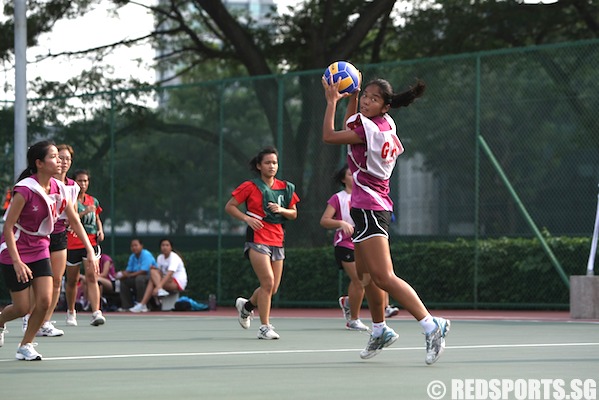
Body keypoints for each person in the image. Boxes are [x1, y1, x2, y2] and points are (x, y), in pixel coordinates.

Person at [322, 74, 450, 363]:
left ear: (385, 106)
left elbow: (330, 135)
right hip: (369, 206)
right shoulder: (386, 124)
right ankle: (380, 330)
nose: (367, 100)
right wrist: (352, 95)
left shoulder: (368, 130)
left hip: (370, 208)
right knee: (366, 276)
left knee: (384, 276)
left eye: (373, 98)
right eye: (365, 95)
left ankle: (432, 325)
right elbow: (352, 124)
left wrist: (332, 101)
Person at [0, 141, 99, 360]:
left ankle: (26, 344)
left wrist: (90, 251)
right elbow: (7, 226)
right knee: (21, 307)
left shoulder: (60, 189)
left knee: (45, 300)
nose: (60, 161)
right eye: (54, 157)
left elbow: (74, 220)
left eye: (61, 157)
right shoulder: (25, 190)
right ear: (40, 163)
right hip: (14, 249)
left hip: (39, 248)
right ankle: (0, 322)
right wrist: (17, 261)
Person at [225, 146, 300, 340]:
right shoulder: (250, 186)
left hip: (278, 239)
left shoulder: (286, 187)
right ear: (259, 166)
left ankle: (247, 306)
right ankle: (265, 327)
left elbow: (293, 213)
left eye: (274, 162)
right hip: (257, 238)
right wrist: (246, 219)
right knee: (267, 282)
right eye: (267, 162)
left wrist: (281, 210)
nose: (271, 166)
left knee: (272, 288)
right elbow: (230, 206)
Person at [21, 144, 80, 337]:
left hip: (60, 234)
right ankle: (28, 315)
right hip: (38, 237)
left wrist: (74, 222)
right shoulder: (36, 185)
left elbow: (72, 213)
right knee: (36, 280)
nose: (62, 162)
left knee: (56, 281)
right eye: (58, 158)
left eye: (66, 159)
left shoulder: (72, 187)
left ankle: (45, 321)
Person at [65, 169, 106, 327]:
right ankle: (71, 311)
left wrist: (100, 230)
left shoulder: (93, 201)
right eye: (80, 181)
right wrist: (84, 213)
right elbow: (70, 221)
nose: (83, 184)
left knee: (91, 277)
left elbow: (97, 218)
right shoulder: (71, 199)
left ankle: (96, 312)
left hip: (91, 243)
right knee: (72, 280)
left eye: (85, 181)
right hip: (73, 243)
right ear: (74, 182)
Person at [130, 238, 188, 313]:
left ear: (171, 247)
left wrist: (158, 287)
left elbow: (169, 274)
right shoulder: (160, 257)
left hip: (177, 282)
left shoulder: (174, 257)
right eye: (163, 245)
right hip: (167, 280)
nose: (165, 247)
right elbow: (160, 273)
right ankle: (143, 304)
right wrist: (155, 269)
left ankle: (143, 303)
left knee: (152, 277)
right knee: (152, 273)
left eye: (167, 245)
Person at [118, 238, 156, 311]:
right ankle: (127, 306)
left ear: (141, 246)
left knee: (140, 279)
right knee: (124, 281)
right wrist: (122, 274)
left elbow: (144, 271)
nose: (134, 247)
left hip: (150, 277)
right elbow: (129, 270)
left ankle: (141, 304)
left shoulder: (146, 254)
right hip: (136, 276)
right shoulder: (132, 256)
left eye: (136, 245)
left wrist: (129, 275)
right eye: (132, 246)